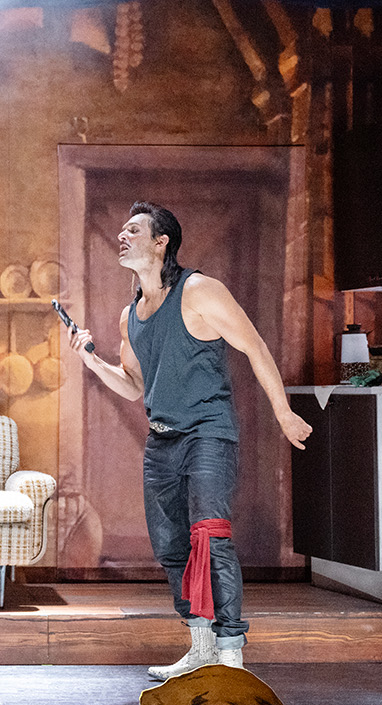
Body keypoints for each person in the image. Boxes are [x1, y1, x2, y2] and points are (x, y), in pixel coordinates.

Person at [66, 202, 311, 680]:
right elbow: (134, 387)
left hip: (207, 434)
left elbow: (255, 346)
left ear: (162, 242)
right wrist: (92, 361)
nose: (122, 236)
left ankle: (230, 653)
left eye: (133, 230)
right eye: (121, 230)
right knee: (172, 547)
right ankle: (201, 647)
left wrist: (283, 413)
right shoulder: (130, 316)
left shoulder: (199, 291)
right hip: (162, 443)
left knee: (210, 537)